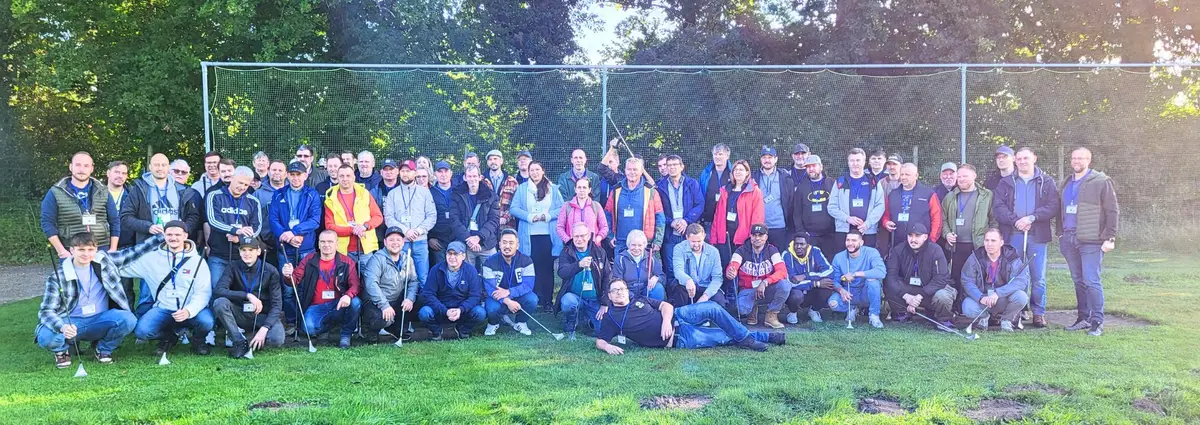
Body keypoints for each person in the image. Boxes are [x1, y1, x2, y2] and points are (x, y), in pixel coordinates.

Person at [35, 232, 151, 367]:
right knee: (45, 335)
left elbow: (135, 252)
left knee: (128, 319)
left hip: (100, 319)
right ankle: (61, 352)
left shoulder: (105, 261)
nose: (86, 254)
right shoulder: (57, 276)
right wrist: (62, 327)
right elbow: (46, 311)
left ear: (96, 249)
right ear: (71, 250)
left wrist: (162, 237)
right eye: (81, 249)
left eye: (90, 249)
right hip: (71, 322)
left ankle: (103, 350)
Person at [593, 280, 782, 355]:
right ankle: (766, 337)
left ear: (627, 290)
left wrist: (666, 321)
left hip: (678, 315)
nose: (619, 292)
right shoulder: (612, 317)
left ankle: (746, 339)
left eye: (622, 289)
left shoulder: (637, 298)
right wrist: (608, 346)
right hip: (679, 338)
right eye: (615, 291)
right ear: (609, 296)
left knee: (713, 307)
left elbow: (665, 305)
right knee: (722, 336)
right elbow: (600, 341)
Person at [993, 147, 1059, 328]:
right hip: (1013, 236)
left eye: (1026, 158)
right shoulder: (1006, 182)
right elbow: (998, 208)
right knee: (1015, 275)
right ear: (1015, 160)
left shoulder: (1046, 181)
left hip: (1037, 236)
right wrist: (1017, 221)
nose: (1022, 162)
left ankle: (1038, 312)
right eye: (1019, 159)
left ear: (1034, 159)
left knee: (1038, 276)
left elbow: (1053, 206)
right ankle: (1018, 311)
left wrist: (1032, 218)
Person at [127, 221, 214, 356]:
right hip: (163, 309)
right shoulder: (151, 258)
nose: (173, 238)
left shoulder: (197, 261)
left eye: (177, 235)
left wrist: (188, 311)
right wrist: (94, 259)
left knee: (207, 322)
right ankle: (168, 337)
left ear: (185, 236)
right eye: (169, 234)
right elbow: (124, 267)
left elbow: (203, 293)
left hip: (189, 309)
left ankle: (198, 340)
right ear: (164, 236)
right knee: (142, 331)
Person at [1057, 147, 1118, 336]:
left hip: (1091, 240)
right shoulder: (1066, 182)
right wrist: (1060, 233)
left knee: (1091, 280)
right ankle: (1083, 318)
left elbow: (1112, 210)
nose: (1077, 161)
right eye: (1074, 158)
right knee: (1078, 280)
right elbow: (1060, 209)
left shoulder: (1100, 181)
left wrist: (1110, 237)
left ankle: (1097, 321)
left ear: (1088, 160)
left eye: (1081, 158)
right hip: (1068, 238)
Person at [269, 161, 322, 334]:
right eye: (292, 174)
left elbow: (315, 220)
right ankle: (292, 322)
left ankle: (305, 321)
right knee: (288, 287)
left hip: (305, 247)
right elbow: (273, 220)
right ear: (287, 175)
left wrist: (295, 232)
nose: (295, 177)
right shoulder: (278, 194)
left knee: (306, 286)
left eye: (298, 174)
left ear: (305, 175)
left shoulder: (312, 194)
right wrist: (286, 235)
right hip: (285, 248)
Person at [284, 230, 362, 348]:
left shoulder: (347, 262)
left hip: (338, 304)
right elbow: (294, 281)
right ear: (318, 244)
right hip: (316, 306)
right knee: (308, 329)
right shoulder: (309, 260)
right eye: (323, 242)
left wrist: (348, 295)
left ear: (337, 244)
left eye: (330, 241)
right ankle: (326, 329)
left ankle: (345, 334)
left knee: (355, 302)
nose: (326, 245)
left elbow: (355, 284)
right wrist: (288, 275)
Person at [211, 238, 285, 357]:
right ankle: (239, 341)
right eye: (243, 250)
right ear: (239, 252)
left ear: (258, 251)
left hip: (261, 316)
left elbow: (277, 304)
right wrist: (247, 295)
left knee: (277, 340)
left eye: (251, 250)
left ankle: (251, 337)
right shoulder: (232, 267)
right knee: (220, 303)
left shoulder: (270, 270)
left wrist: (265, 328)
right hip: (240, 313)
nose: (247, 253)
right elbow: (219, 291)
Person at [508, 161, 563, 312]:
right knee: (531, 268)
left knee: (546, 269)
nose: (535, 173)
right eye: (532, 170)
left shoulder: (552, 188)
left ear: (543, 171)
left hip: (547, 236)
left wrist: (548, 215)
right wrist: (528, 216)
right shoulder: (522, 189)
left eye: (537, 169)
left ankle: (547, 301)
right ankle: (533, 300)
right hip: (528, 237)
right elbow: (513, 208)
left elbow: (562, 208)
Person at [42, 152, 121, 257]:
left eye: (86, 166)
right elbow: (47, 223)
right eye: (78, 165)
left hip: (101, 248)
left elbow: (114, 220)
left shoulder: (103, 191)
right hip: (71, 249)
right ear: (71, 167)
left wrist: (113, 249)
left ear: (92, 168)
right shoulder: (56, 192)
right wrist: (61, 251)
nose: (82, 169)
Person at [941, 164, 995, 311]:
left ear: (974, 176)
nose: (961, 179)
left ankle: (983, 307)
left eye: (965, 176)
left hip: (978, 244)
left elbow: (993, 219)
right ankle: (956, 308)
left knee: (979, 277)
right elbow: (942, 219)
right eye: (959, 176)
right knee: (957, 277)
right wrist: (946, 234)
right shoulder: (950, 197)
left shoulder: (986, 195)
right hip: (957, 245)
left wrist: (991, 239)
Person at [884, 223, 956, 329]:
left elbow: (940, 279)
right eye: (910, 236)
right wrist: (906, 296)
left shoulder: (935, 250)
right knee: (889, 284)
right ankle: (902, 313)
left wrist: (919, 296)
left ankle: (944, 319)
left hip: (929, 291)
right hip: (909, 290)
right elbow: (891, 276)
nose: (913, 240)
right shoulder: (898, 250)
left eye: (917, 236)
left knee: (943, 295)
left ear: (925, 237)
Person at [708, 160, 764, 295]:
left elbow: (757, 217)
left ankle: (741, 298)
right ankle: (726, 297)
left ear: (747, 173)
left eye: (741, 170)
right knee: (725, 266)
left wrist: (754, 237)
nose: (738, 172)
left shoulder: (754, 191)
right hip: (725, 237)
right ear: (732, 173)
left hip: (743, 238)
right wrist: (714, 238)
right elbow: (718, 216)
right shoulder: (725, 190)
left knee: (742, 268)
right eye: (735, 170)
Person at [961, 228, 1030, 332]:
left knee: (1021, 297)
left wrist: (998, 293)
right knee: (967, 306)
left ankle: (1007, 320)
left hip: (1003, 298)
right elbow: (967, 281)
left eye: (993, 241)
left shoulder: (1012, 257)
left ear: (1001, 243)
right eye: (987, 240)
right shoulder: (975, 257)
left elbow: (1021, 281)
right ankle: (984, 318)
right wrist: (980, 297)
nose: (989, 244)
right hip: (983, 299)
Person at [205, 166, 262, 289]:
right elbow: (213, 220)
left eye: (246, 185)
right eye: (240, 182)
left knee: (242, 292)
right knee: (217, 289)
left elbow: (256, 228)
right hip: (218, 256)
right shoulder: (214, 195)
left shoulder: (253, 201)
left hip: (242, 257)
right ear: (232, 178)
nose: (242, 187)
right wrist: (235, 230)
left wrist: (240, 238)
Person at [725, 224, 790, 329]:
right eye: (754, 235)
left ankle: (771, 316)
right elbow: (733, 265)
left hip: (766, 288)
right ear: (750, 236)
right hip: (748, 290)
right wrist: (730, 272)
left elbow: (782, 271)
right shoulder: (741, 250)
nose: (757, 238)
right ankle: (752, 309)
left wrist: (765, 282)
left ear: (766, 237)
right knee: (741, 309)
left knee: (785, 285)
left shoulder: (772, 250)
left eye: (761, 235)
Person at [383, 159, 436, 287]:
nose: (405, 174)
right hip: (401, 243)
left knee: (423, 277)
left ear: (415, 173)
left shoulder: (424, 193)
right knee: (401, 278)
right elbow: (389, 217)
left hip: (420, 241)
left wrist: (418, 231)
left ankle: (423, 305)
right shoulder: (392, 194)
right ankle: (402, 305)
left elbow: (432, 216)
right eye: (403, 171)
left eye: (408, 171)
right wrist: (405, 231)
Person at [360, 227, 419, 342]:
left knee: (420, 300)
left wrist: (409, 299)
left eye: (398, 240)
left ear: (403, 242)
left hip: (396, 300)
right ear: (385, 242)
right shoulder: (377, 259)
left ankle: (394, 328)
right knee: (384, 318)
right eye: (391, 240)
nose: (395, 243)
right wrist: (384, 305)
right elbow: (371, 284)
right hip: (375, 302)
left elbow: (413, 281)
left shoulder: (407, 259)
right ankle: (370, 329)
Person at [600, 152, 665, 255]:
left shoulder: (651, 191)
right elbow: (607, 214)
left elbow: (660, 217)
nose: (632, 172)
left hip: (644, 244)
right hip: (621, 243)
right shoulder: (616, 191)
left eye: (635, 169)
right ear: (625, 171)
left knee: (643, 271)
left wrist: (658, 241)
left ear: (641, 172)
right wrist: (610, 236)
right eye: (629, 169)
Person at [419, 241, 486, 340]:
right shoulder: (436, 270)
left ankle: (463, 330)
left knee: (480, 312)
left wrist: (460, 309)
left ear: (463, 256)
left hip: (462, 311)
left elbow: (475, 296)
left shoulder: (471, 271)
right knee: (424, 313)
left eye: (456, 254)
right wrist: (445, 311)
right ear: (445, 255)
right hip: (441, 310)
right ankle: (437, 332)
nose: (452, 257)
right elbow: (428, 294)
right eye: (449, 253)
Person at [556, 223, 611, 339]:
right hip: (575, 297)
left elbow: (607, 277)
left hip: (595, 299)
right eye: (576, 236)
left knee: (602, 330)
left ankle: (587, 320)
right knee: (567, 301)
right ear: (572, 236)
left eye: (582, 236)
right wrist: (578, 265)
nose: (579, 239)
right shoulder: (566, 252)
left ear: (589, 236)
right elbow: (562, 272)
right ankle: (571, 320)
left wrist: (605, 302)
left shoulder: (600, 252)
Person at [656, 154, 703, 286]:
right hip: (670, 234)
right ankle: (673, 300)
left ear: (682, 166)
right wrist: (670, 221)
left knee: (690, 266)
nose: (671, 168)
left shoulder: (692, 184)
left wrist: (686, 221)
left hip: (687, 233)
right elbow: (658, 209)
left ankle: (690, 297)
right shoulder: (660, 186)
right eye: (669, 165)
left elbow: (700, 204)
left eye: (675, 165)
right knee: (671, 268)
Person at [481, 230, 539, 336]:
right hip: (497, 297)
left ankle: (521, 322)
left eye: (511, 243)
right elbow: (490, 289)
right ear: (499, 244)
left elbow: (528, 285)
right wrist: (508, 301)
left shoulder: (527, 260)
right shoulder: (489, 262)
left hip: (518, 295)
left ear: (517, 245)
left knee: (532, 299)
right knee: (492, 308)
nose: (507, 246)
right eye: (504, 242)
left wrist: (509, 292)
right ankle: (493, 323)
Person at [828, 148, 886, 249]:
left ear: (864, 162)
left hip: (867, 230)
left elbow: (880, 206)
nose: (855, 163)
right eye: (852, 160)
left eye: (858, 160)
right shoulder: (841, 181)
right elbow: (831, 207)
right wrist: (847, 218)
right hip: (844, 230)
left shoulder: (874, 181)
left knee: (866, 261)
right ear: (848, 162)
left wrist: (867, 224)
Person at [324, 165, 384, 263]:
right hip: (343, 250)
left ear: (354, 177)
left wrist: (365, 226)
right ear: (337, 178)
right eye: (341, 176)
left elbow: (378, 217)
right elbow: (329, 226)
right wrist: (352, 230)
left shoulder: (365, 194)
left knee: (369, 278)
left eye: (348, 176)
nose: (345, 179)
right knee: (344, 278)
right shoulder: (330, 199)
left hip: (365, 249)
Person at [828, 230, 887, 329]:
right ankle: (852, 308)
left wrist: (855, 274)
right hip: (849, 293)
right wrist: (841, 290)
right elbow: (834, 280)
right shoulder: (838, 257)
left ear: (861, 242)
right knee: (832, 304)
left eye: (854, 240)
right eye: (848, 240)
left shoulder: (871, 252)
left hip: (866, 292)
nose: (850, 243)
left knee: (872, 280)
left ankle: (874, 315)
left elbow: (881, 272)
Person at [450, 165, 499, 269]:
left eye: (474, 176)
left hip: (486, 242)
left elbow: (494, 220)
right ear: (465, 177)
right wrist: (469, 239)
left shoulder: (491, 196)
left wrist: (479, 237)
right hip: (465, 242)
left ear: (480, 177)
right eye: (469, 176)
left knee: (494, 272)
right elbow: (454, 219)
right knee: (466, 276)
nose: (472, 179)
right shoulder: (457, 194)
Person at [883, 163, 943, 246]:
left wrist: (931, 241)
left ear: (916, 175)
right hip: (898, 243)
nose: (903, 177)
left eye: (907, 174)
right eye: (902, 174)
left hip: (922, 244)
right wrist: (886, 222)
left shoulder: (928, 193)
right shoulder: (893, 194)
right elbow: (886, 214)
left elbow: (937, 218)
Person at [791, 155, 837, 260]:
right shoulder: (801, 187)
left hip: (830, 236)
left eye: (814, 166)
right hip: (810, 237)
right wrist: (801, 232)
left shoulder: (832, 184)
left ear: (821, 167)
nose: (811, 169)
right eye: (808, 167)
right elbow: (797, 212)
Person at [781, 232, 834, 324]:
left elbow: (829, 271)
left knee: (828, 285)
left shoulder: (815, 251)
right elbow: (790, 282)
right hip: (796, 290)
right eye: (796, 243)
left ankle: (813, 310)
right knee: (796, 296)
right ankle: (792, 312)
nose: (798, 247)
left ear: (808, 245)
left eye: (802, 244)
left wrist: (806, 275)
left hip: (811, 290)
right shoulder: (786, 255)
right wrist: (815, 283)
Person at [669, 224, 726, 308]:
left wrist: (706, 296)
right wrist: (687, 280)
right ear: (687, 237)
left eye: (699, 241)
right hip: (686, 286)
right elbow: (678, 271)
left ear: (704, 236)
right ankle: (679, 319)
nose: (696, 245)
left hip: (705, 286)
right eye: (693, 242)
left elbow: (717, 278)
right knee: (679, 292)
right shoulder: (679, 248)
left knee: (719, 299)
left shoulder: (714, 251)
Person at [753, 146, 794, 251]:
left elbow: (790, 202)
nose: (767, 160)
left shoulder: (785, 177)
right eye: (764, 157)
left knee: (779, 259)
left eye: (770, 157)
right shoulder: (753, 177)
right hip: (760, 227)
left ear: (776, 159)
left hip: (779, 226)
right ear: (760, 159)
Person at [613, 230, 666, 301]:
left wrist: (656, 278)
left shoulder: (651, 258)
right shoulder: (620, 259)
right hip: (628, 295)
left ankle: (655, 310)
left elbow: (663, 277)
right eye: (633, 245)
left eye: (640, 245)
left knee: (658, 288)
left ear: (644, 245)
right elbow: (617, 282)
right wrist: (634, 299)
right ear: (628, 245)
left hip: (646, 293)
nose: (636, 248)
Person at [556, 175, 608, 246]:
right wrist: (568, 241)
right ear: (575, 189)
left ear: (589, 190)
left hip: (593, 248)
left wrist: (597, 239)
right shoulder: (566, 206)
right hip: (572, 249)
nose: (582, 190)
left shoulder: (596, 206)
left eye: (584, 187)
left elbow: (604, 227)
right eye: (579, 187)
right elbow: (559, 227)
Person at [428, 161, 458, 266]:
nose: (443, 174)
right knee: (440, 269)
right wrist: (429, 238)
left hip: (457, 237)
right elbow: (425, 216)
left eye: (446, 171)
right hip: (437, 240)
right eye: (440, 172)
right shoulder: (429, 192)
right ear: (435, 174)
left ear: (451, 173)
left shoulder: (459, 190)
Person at [698, 144, 733, 230]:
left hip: (727, 222)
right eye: (715, 154)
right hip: (707, 222)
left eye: (720, 154)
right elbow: (700, 196)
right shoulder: (706, 173)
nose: (717, 157)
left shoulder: (734, 173)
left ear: (727, 156)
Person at [484, 150, 519, 230]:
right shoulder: (481, 181)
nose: (493, 161)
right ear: (487, 162)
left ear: (501, 161)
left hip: (507, 226)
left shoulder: (512, 181)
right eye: (490, 159)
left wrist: (505, 217)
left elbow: (516, 204)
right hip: (487, 227)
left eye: (495, 159)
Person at [106, 161, 132, 249]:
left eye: (124, 173)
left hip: (127, 246)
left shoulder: (133, 195)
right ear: (108, 173)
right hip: (102, 245)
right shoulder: (96, 194)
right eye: (116, 172)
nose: (120, 176)